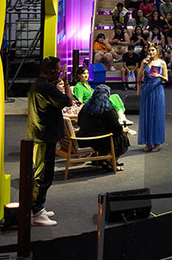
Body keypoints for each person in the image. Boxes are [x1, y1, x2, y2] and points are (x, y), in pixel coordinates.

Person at [26, 56, 74, 227]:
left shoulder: (39, 84)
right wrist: (67, 83)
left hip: (40, 135)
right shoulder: (47, 87)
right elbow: (67, 101)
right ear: (52, 71)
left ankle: (38, 207)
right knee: (43, 175)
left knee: (40, 173)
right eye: (59, 69)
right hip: (45, 136)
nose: (61, 72)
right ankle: (36, 212)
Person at [77, 85, 130, 167]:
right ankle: (112, 163)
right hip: (98, 141)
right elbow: (116, 128)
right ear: (108, 95)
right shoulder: (108, 109)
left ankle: (104, 160)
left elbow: (79, 122)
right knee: (122, 137)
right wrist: (124, 129)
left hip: (82, 138)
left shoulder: (86, 106)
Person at [138, 45, 168, 152]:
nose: (151, 52)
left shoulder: (162, 62)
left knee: (156, 115)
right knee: (147, 115)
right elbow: (139, 78)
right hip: (147, 90)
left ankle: (157, 142)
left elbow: (166, 79)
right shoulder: (145, 62)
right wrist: (142, 65)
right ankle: (148, 142)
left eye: (153, 50)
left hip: (157, 89)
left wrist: (160, 77)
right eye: (149, 50)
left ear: (157, 51)